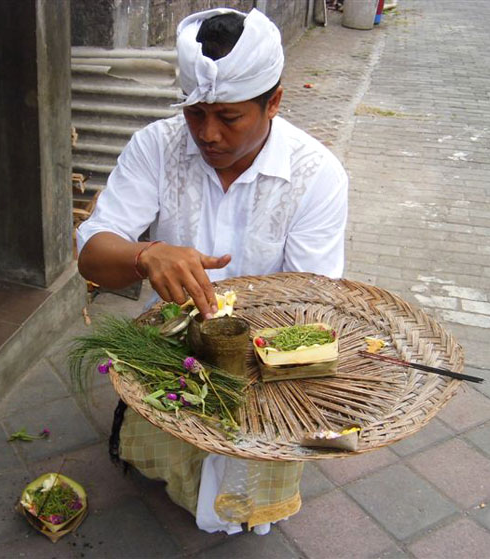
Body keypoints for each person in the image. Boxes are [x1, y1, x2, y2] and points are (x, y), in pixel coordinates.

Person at [77, 7, 348, 534]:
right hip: (170, 346)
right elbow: (91, 253)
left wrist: (239, 352)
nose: (208, 134)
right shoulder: (156, 146)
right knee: (173, 454)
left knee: (246, 470)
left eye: (228, 117)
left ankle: (242, 504)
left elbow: (312, 301)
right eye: (194, 113)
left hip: (268, 358)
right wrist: (145, 254)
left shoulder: (316, 176)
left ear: (273, 102)